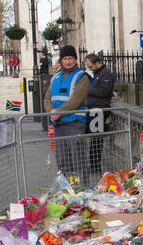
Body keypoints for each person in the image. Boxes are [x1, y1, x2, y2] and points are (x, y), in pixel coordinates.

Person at [47, 46, 90, 181]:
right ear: (61, 60)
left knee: (78, 160)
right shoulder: (56, 77)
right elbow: (47, 97)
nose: (67, 62)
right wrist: (50, 112)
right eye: (65, 59)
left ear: (75, 59)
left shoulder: (81, 77)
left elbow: (76, 99)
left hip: (75, 124)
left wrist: (58, 113)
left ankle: (83, 187)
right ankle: (66, 189)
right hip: (59, 125)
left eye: (70, 58)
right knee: (62, 160)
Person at [85, 52, 115, 182]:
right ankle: (93, 163)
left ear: (97, 63)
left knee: (97, 139)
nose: (90, 69)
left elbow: (105, 92)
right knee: (94, 138)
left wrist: (88, 90)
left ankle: (95, 165)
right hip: (94, 109)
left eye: (90, 66)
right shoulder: (97, 74)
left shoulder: (106, 74)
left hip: (100, 110)